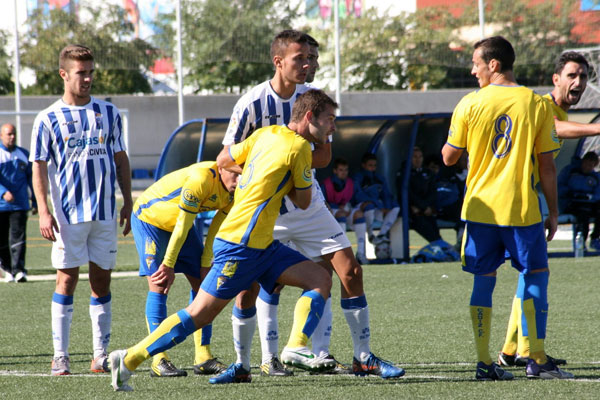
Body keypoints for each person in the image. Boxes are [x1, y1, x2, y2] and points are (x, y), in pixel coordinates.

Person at [109, 89, 337, 392]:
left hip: (262, 244)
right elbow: (305, 202)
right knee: (199, 314)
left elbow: (225, 157)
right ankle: (128, 360)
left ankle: (295, 347)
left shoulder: (266, 133)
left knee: (320, 279)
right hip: (241, 245)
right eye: (330, 120)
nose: (333, 127)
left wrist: (256, 177)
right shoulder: (299, 150)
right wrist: (289, 178)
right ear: (309, 117)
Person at [221, 30, 404, 382]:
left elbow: (323, 155)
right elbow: (225, 160)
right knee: (251, 287)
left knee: (349, 271)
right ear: (279, 62)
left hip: (308, 205)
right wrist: (264, 178)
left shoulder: (313, 100)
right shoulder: (251, 103)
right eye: (300, 59)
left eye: (312, 59)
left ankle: (361, 357)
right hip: (266, 210)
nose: (308, 65)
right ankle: (249, 363)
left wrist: (293, 170)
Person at [442, 36, 573, 380]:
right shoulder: (536, 103)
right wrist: (554, 211)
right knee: (534, 276)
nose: (473, 70)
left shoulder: (469, 103)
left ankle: (485, 363)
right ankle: (537, 360)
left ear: (494, 64)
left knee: (483, 281)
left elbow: (448, 156)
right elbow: (546, 166)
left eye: (476, 63)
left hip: (479, 210)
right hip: (521, 210)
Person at [30, 44, 133, 376]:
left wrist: (128, 201)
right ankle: (61, 355)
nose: (87, 78)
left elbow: (120, 159)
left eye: (90, 72)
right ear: (64, 74)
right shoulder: (47, 118)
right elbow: (39, 167)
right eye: (81, 73)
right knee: (66, 279)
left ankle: (99, 355)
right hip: (67, 216)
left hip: (103, 213)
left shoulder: (109, 113)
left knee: (101, 281)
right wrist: (44, 212)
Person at [498, 51, 594, 369]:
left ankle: (512, 349)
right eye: (571, 75)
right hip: (512, 199)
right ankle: (525, 351)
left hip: (521, 198)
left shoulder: (557, 111)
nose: (578, 82)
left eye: (583, 76)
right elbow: (553, 128)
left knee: (531, 273)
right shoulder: (542, 105)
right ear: (556, 79)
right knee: (533, 273)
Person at [131, 162, 239, 377]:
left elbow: (217, 227)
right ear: (223, 168)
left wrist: (206, 263)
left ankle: (203, 357)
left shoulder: (238, 189)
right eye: (235, 176)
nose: (238, 182)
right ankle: (159, 359)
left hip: (181, 224)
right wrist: (168, 264)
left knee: (203, 284)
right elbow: (182, 223)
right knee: (159, 284)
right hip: (150, 220)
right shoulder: (201, 179)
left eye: (242, 176)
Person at [0, 123, 35, 283]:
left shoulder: (24, 154)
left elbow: (32, 179)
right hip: (1, 206)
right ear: (1, 136)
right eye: (8, 134)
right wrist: (3, 192)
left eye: (13, 133)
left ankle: (19, 270)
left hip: (20, 204)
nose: (12, 136)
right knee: (2, 239)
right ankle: (7, 270)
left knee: (19, 237)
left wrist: (35, 199)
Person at [321, 158, 368, 263]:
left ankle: (361, 253)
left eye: (346, 170)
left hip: (346, 209)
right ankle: (344, 253)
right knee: (341, 214)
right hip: (330, 212)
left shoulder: (351, 183)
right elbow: (322, 202)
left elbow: (357, 198)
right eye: (341, 170)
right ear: (335, 171)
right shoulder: (326, 183)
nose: (344, 172)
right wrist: (337, 207)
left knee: (359, 215)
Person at [353, 153, 400, 246]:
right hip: (362, 207)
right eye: (370, 165)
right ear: (363, 165)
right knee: (369, 206)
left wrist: (387, 206)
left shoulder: (379, 178)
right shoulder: (358, 177)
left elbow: (386, 194)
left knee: (395, 207)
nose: (372, 168)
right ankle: (370, 235)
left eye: (374, 165)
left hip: (377, 208)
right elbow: (358, 195)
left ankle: (382, 234)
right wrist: (378, 204)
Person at [400, 147, 442, 243]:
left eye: (420, 156)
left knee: (433, 226)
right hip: (414, 211)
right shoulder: (404, 173)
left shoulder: (428, 173)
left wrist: (427, 207)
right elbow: (408, 193)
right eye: (414, 157)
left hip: (426, 209)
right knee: (422, 224)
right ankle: (439, 245)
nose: (418, 159)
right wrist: (422, 207)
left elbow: (433, 192)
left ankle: (440, 245)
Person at [557, 152, 600, 247]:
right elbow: (559, 186)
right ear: (582, 161)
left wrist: (590, 197)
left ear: (594, 165)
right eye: (586, 163)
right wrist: (571, 194)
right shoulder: (570, 171)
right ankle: (581, 243)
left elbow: (598, 193)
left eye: (590, 165)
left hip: (588, 204)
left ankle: (595, 238)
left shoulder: (595, 177)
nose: (587, 167)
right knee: (583, 214)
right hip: (571, 204)